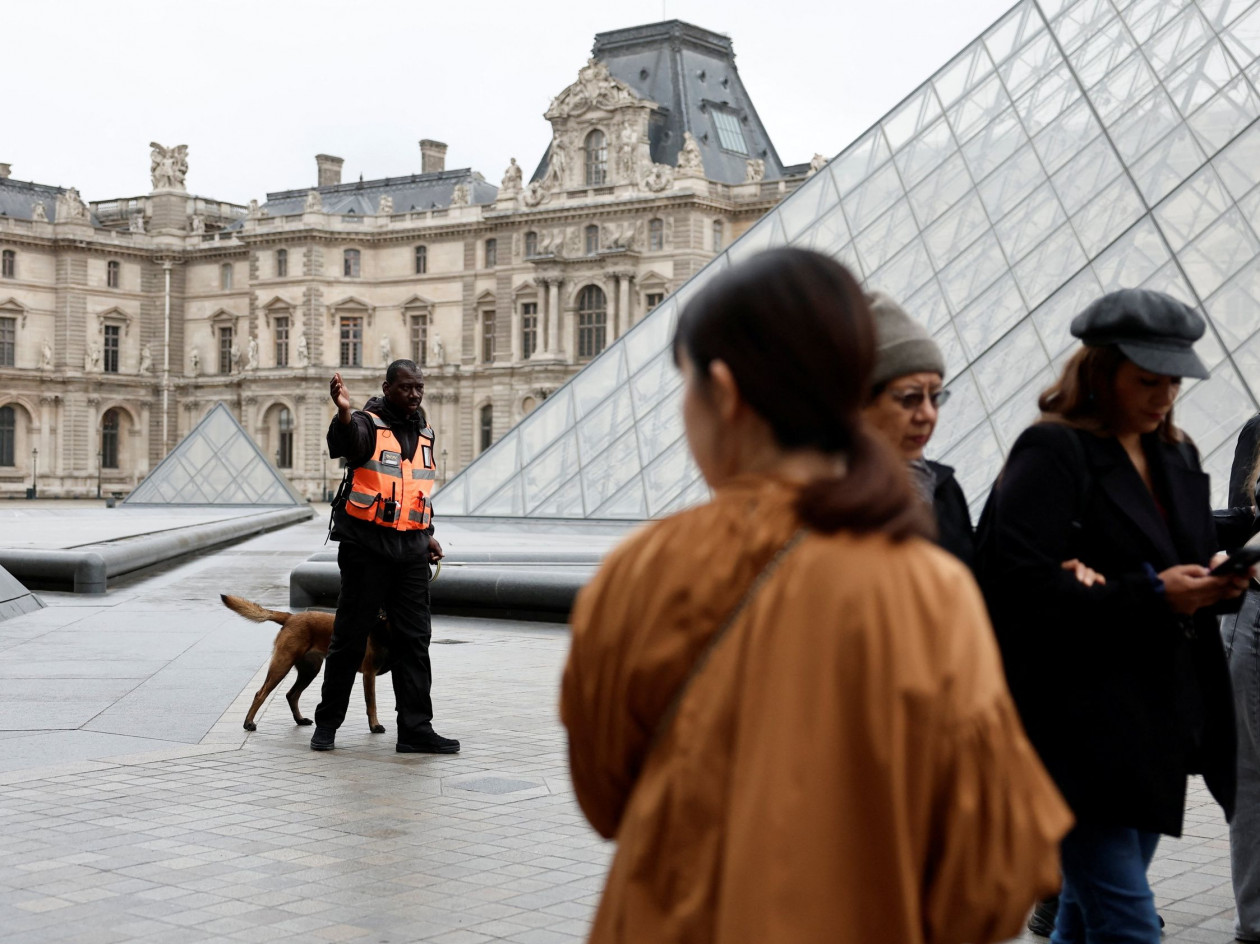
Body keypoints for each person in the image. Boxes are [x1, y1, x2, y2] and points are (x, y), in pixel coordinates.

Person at [561, 248, 1071, 944]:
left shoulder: (641, 571)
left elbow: (606, 802)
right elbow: (996, 877)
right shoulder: (933, 591)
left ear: (726, 392)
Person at [977, 288, 1247, 944]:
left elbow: (1176, 563)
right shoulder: (1053, 453)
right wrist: (1152, 594)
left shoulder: (1176, 456)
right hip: (1071, 725)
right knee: (1127, 922)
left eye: (1174, 382)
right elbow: (1012, 588)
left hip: (1157, 722)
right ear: (1100, 374)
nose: (1164, 398)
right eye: (1147, 381)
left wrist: (1220, 579)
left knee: (1084, 914)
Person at [310, 359, 458, 754]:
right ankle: (327, 725)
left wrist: (427, 535)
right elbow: (345, 445)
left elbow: (417, 491)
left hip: (410, 551)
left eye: (419, 388)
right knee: (349, 639)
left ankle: (415, 730)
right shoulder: (366, 423)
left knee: (415, 641)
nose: (414, 394)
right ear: (387, 387)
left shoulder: (424, 432)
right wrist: (343, 411)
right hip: (367, 549)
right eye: (407, 387)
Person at [862, 292, 972, 567]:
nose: (928, 414)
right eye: (910, 398)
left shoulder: (943, 488)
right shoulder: (832, 509)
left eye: (935, 396)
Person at [1221, 418, 1260, 943]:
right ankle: (1254, 924)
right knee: (1251, 777)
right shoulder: (1257, 432)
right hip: (1253, 618)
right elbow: (1236, 526)